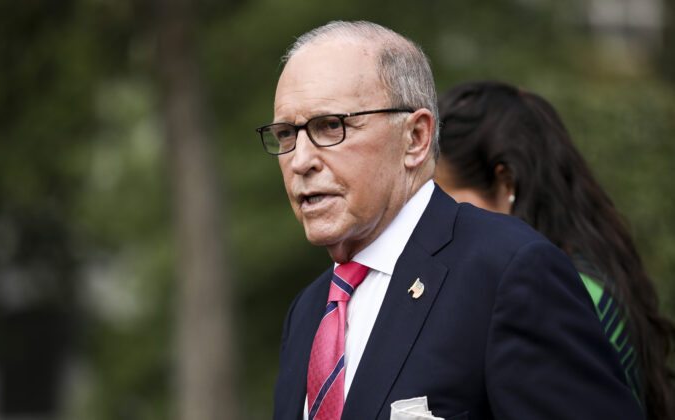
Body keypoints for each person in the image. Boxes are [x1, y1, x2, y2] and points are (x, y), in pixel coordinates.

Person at [259, 21, 644, 420]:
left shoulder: (507, 272)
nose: (301, 161)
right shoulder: (308, 311)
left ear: (416, 138)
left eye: (329, 126)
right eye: (287, 134)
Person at [434, 80, 675, 420]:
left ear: (506, 185)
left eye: (448, 205)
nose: (437, 224)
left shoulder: (559, 294)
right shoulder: (569, 277)